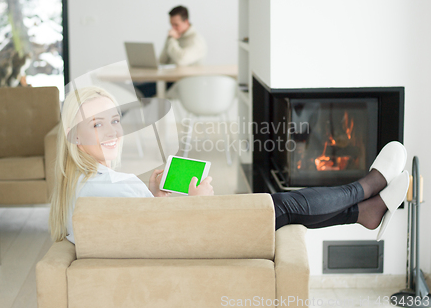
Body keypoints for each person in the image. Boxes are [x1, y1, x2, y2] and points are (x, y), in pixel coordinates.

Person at [49, 86, 410, 244]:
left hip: (184, 236)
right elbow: (161, 234)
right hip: (202, 240)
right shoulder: (108, 187)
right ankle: (370, 185)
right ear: (75, 137)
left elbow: (139, 228)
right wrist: (198, 202)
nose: (113, 131)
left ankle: (366, 212)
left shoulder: (83, 187)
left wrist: (154, 197)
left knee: (284, 210)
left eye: (114, 119)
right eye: (97, 125)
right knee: (286, 204)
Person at [134, 6, 208, 98]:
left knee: (134, 92)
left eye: (176, 25)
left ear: (186, 22)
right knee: (133, 86)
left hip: (183, 83)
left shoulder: (196, 41)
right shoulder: (173, 37)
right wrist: (169, 40)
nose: (173, 28)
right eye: (171, 24)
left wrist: (172, 40)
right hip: (166, 79)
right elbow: (162, 60)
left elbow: (181, 60)